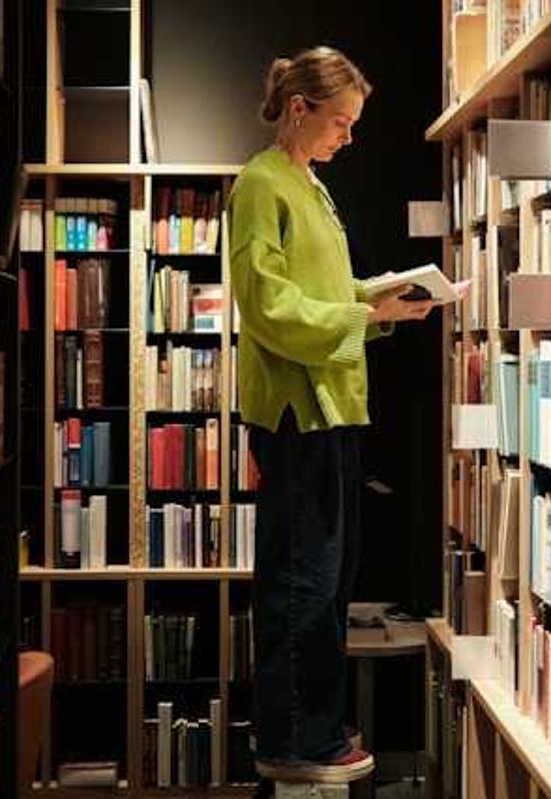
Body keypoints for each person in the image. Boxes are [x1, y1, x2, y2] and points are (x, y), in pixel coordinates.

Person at [228, 46, 462, 785]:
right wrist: (365, 314)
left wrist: (381, 298)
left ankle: (315, 723)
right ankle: (294, 734)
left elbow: (325, 287)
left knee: (328, 578)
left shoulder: (309, 185)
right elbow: (268, 306)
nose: (350, 137)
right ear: (300, 110)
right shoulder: (260, 186)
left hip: (333, 406)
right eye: (342, 121)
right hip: (299, 408)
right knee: (302, 579)